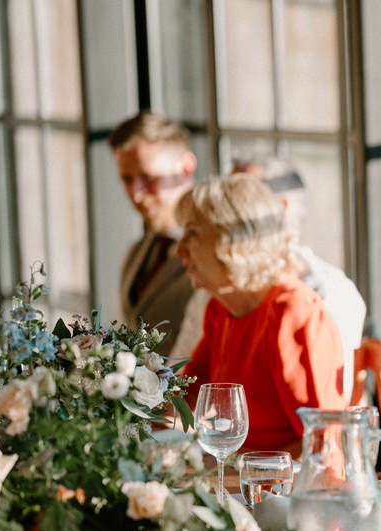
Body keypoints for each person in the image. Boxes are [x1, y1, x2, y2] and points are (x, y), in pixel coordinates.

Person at [178, 174, 346, 454]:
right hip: (234, 480)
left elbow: (323, 444)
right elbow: (186, 401)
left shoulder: (292, 313)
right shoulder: (220, 309)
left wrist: (234, 477)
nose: (179, 249)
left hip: (280, 489)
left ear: (234, 241)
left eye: (192, 234)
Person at [109, 111, 198, 356]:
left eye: (148, 177)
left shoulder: (215, 252)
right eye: (127, 179)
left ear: (186, 167)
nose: (137, 194)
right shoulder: (136, 252)